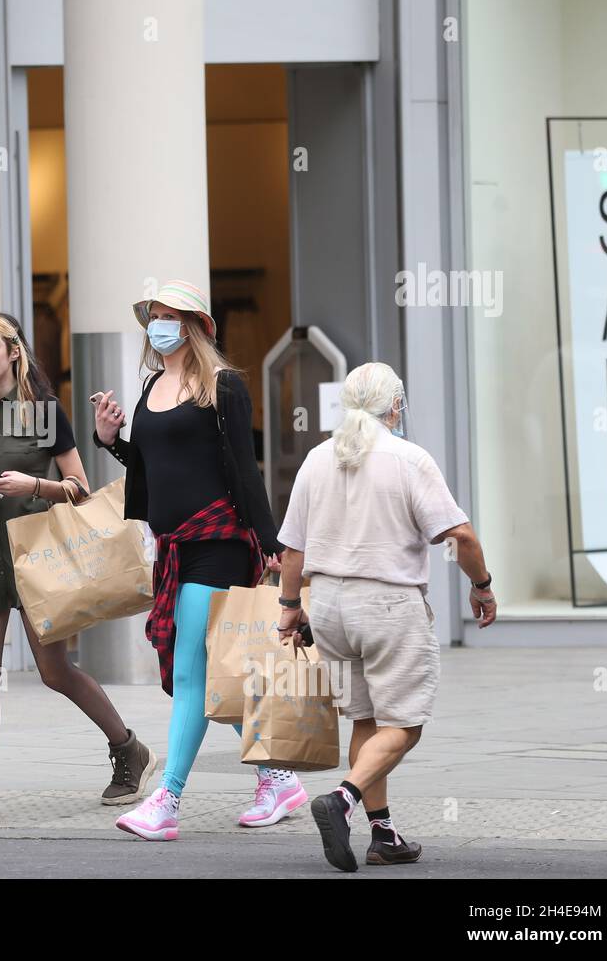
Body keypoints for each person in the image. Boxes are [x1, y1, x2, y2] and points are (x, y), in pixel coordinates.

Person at [0, 311, 159, 828]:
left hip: (38, 550)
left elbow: (80, 486)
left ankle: (128, 749)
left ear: (13, 353)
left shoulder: (46, 412)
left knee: (54, 672)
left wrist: (30, 486)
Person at [92, 280, 303, 841]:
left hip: (220, 541)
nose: (157, 323)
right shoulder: (152, 385)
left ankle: (167, 800)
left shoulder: (223, 385)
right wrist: (111, 440)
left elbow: (244, 466)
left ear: (192, 325)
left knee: (190, 672)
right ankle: (278, 777)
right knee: (213, 678)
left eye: (167, 314)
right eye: (152, 315)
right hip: (175, 547)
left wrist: (273, 542)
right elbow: (151, 464)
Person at [274, 361, 496, 871]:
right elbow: (460, 536)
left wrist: (289, 609)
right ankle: (344, 798)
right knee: (405, 723)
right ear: (394, 405)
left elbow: (291, 551)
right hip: (387, 605)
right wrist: (481, 586)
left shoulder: (316, 459)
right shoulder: (408, 459)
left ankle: (384, 835)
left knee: (366, 718)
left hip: (328, 606)